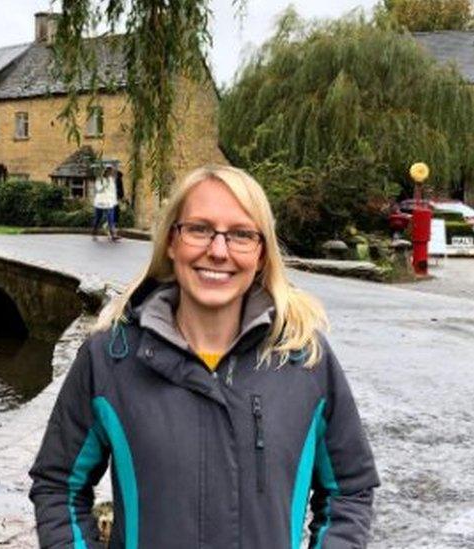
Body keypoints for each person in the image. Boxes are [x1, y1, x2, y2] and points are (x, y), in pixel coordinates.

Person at [29, 165, 379, 548]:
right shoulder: (110, 358)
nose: (218, 251)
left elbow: (350, 490)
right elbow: (59, 485)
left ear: (261, 253)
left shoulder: (305, 360)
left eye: (241, 234)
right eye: (199, 229)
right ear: (171, 242)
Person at [92, 165, 119, 242]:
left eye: (111, 171)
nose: (110, 173)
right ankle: (94, 232)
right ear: (105, 171)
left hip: (109, 202)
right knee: (98, 218)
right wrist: (105, 185)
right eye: (109, 171)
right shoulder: (99, 180)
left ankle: (113, 234)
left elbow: (113, 191)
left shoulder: (111, 180)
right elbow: (98, 189)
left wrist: (114, 201)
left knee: (111, 218)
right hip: (100, 202)